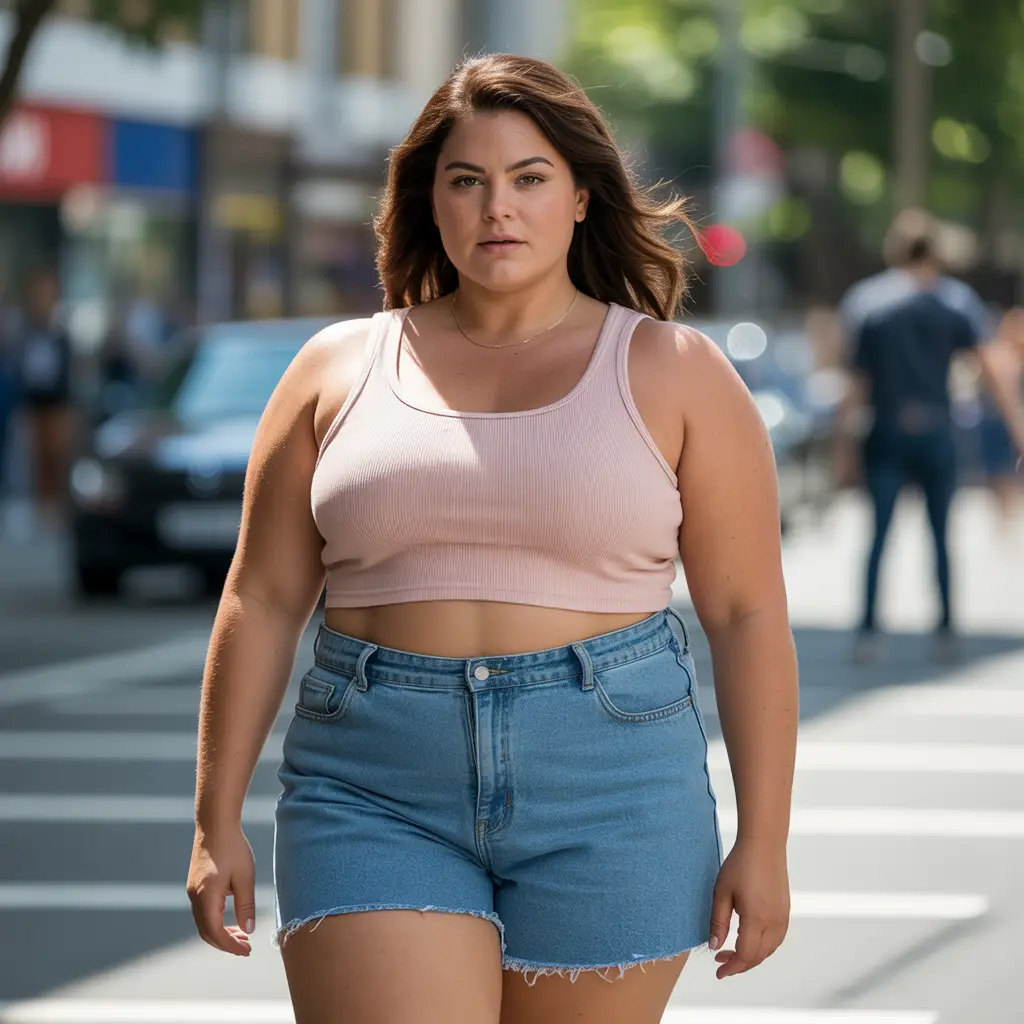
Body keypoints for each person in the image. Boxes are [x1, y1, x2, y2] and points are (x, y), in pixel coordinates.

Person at [186, 54, 797, 1023]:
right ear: (430, 201)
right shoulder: (334, 369)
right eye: (466, 180)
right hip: (371, 784)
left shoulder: (677, 372)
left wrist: (764, 841)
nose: (496, 207)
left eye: (529, 178)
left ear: (582, 198)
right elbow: (259, 599)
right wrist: (213, 818)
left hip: (613, 784)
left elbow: (747, 613)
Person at [836, 210, 1024, 664]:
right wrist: (1017, 429)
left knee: (878, 536)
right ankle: (945, 631)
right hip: (938, 428)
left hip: (886, 427)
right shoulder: (956, 301)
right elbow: (991, 370)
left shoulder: (868, 301)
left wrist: (841, 447)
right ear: (937, 251)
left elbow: (856, 384)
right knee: (940, 536)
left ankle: (868, 632)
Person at [13, 269, 74, 531]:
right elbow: (20, 371)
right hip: (33, 405)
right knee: (35, 458)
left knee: (56, 457)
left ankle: (56, 507)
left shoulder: (60, 334)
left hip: (57, 406)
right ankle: (41, 507)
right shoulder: (27, 333)